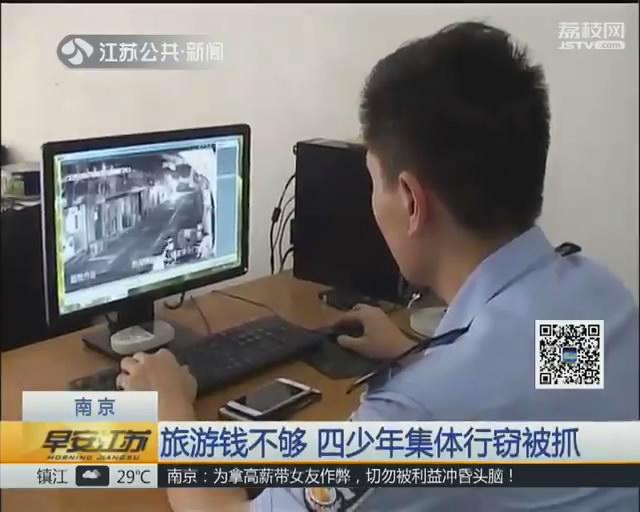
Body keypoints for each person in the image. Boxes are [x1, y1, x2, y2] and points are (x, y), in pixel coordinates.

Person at [116, 22, 639, 511]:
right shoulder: (598, 297)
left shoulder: (415, 419)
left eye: (372, 181)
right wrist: (414, 356)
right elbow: (530, 386)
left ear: (411, 201)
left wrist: (170, 411)